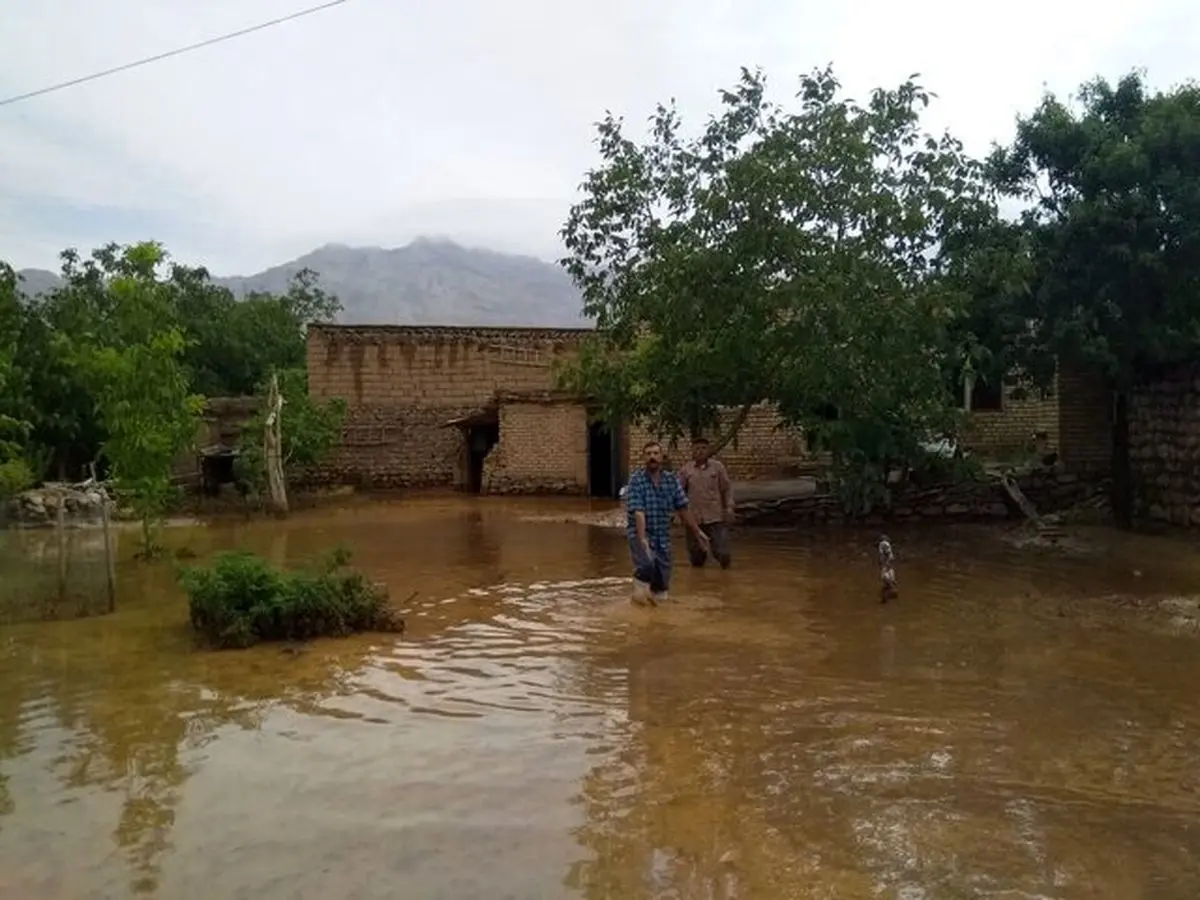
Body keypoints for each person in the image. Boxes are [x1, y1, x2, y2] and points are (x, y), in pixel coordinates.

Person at [625, 440, 710, 605]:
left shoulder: (671, 480)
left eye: (655, 453)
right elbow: (638, 512)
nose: (652, 457)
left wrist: (697, 532)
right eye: (648, 454)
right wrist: (643, 540)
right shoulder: (636, 480)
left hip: (662, 535)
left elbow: (683, 508)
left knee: (662, 581)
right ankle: (638, 602)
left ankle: (657, 619)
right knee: (646, 564)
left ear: (661, 457)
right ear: (644, 457)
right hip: (640, 533)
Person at [678, 437, 734, 569]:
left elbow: (726, 488)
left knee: (723, 553)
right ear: (692, 451)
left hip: (715, 517)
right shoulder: (686, 470)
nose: (700, 451)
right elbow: (678, 493)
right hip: (694, 519)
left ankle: (725, 581)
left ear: (708, 450)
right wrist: (679, 514)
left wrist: (729, 507)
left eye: (703, 448)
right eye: (697, 448)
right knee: (696, 557)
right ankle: (697, 585)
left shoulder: (718, 467)